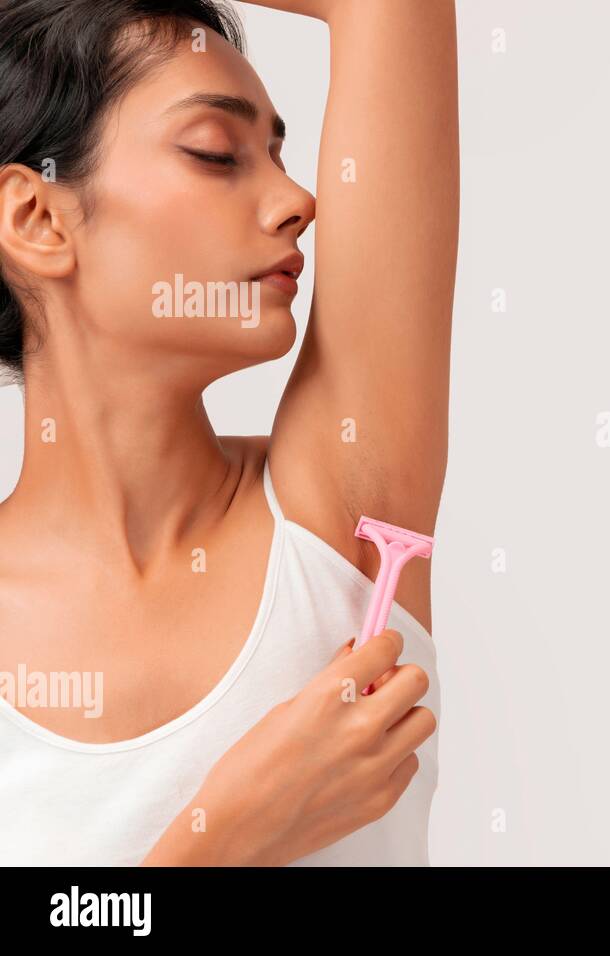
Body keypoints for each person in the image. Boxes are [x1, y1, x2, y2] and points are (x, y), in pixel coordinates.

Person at [0, 0, 458, 865]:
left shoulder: (336, 525)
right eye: (216, 154)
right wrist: (233, 836)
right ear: (38, 219)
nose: (296, 201)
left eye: (278, 152)